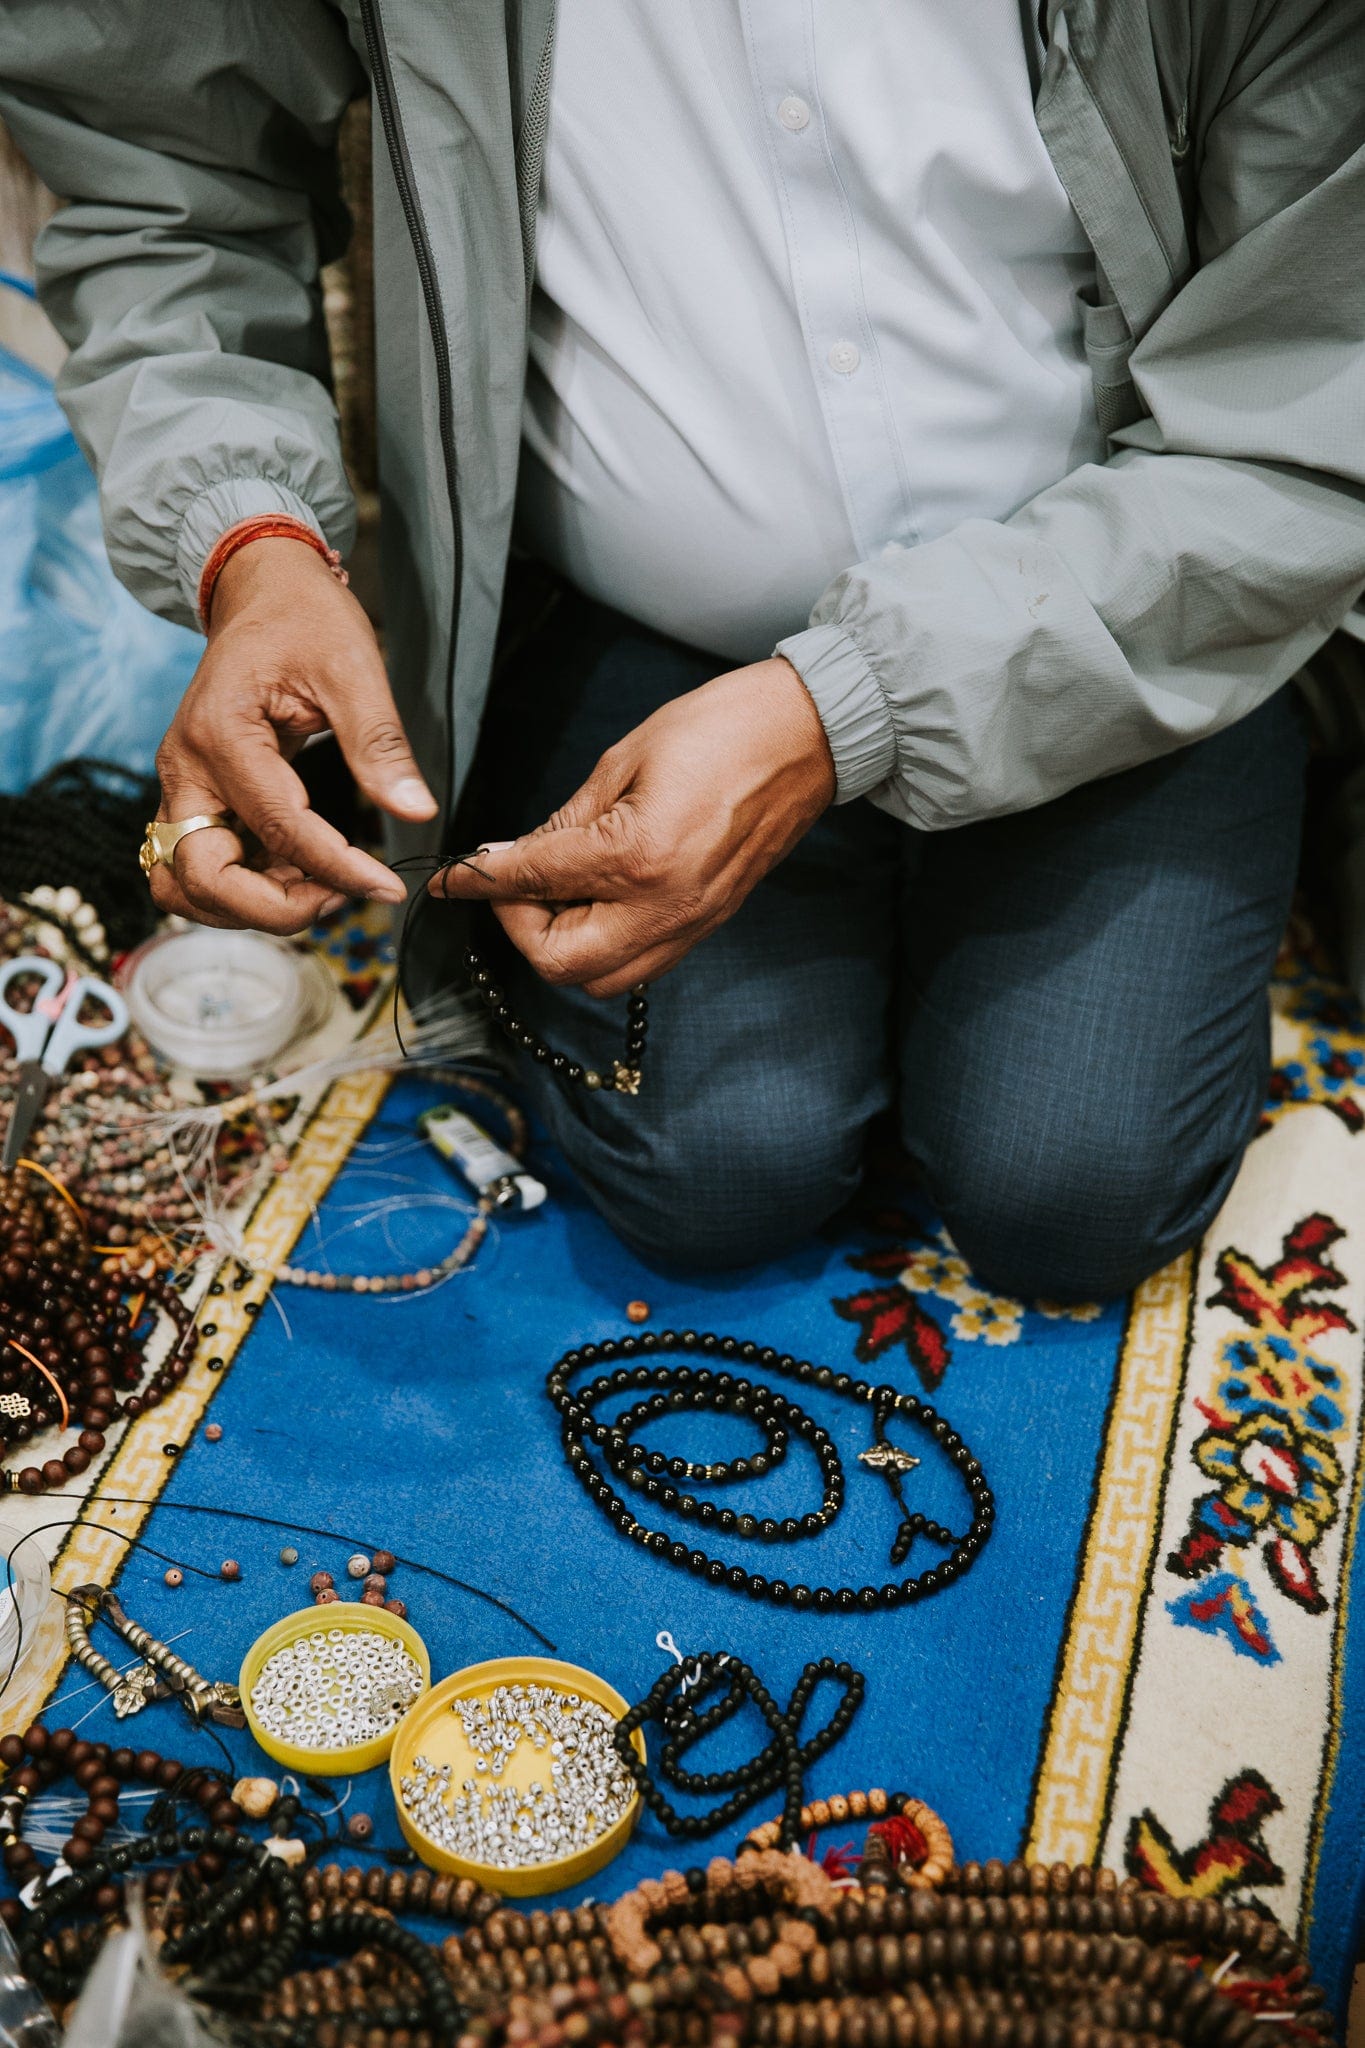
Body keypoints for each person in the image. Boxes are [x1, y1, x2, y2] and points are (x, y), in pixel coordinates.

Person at [2, 3, 1363, 1292]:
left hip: (1132, 589)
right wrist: (251, 541)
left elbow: (1309, 396)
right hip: (649, 630)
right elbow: (162, 171)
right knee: (717, 1173)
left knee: (1068, 1193)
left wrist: (844, 713)